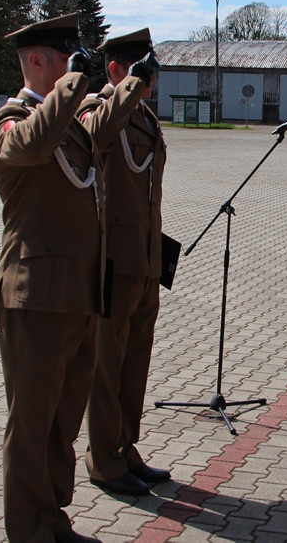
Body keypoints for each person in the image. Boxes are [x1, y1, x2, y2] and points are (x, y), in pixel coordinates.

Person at [0, 13, 145, 543]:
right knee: (31, 425)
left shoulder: (70, 122)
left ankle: (52, 517)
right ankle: (29, 531)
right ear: (36, 61)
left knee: (61, 421)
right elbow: (29, 145)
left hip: (78, 291)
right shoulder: (9, 120)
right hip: (34, 296)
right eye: (64, 58)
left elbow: (102, 127)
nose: (75, 68)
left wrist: (131, 84)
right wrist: (74, 84)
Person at [76, 28, 168, 497]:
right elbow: (93, 136)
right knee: (107, 363)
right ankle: (103, 461)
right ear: (117, 69)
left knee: (135, 363)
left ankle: (124, 447)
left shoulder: (145, 116)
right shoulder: (98, 108)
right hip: (113, 259)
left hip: (145, 259)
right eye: (142, 70)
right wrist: (127, 89)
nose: (150, 80)